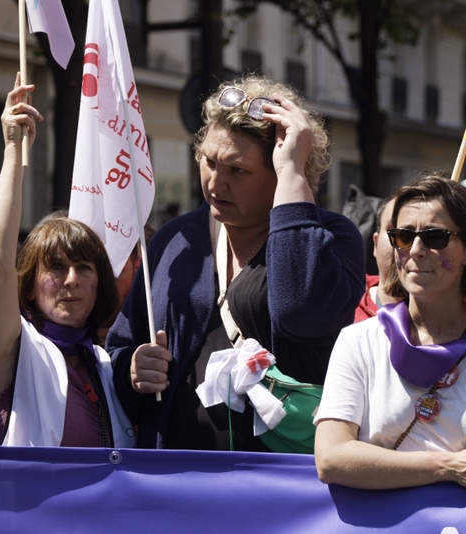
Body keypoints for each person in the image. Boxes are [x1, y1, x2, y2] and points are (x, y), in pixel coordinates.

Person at [106, 75, 365, 450]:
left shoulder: (332, 237)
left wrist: (293, 175)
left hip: (282, 474)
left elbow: (299, 313)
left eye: (238, 170)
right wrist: (132, 367)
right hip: (177, 472)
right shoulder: (176, 240)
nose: (215, 183)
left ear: (280, 168)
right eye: (209, 161)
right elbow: (119, 347)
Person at [314, 174, 466, 491]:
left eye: (435, 237)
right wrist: (448, 467)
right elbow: (331, 458)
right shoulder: (357, 341)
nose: (416, 250)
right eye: (402, 236)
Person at [0, 74, 134, 447]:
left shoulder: (105, 366)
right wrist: (13, 150)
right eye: (56, 267)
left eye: (84, 268)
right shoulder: (13, 347)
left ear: (98, 283)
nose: (71, 280)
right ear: (29, 285)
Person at [354, 196, 402, 322]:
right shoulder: (341, 300)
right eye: (396, 232)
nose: (413, 246)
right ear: (375, 243)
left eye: (431, 236)